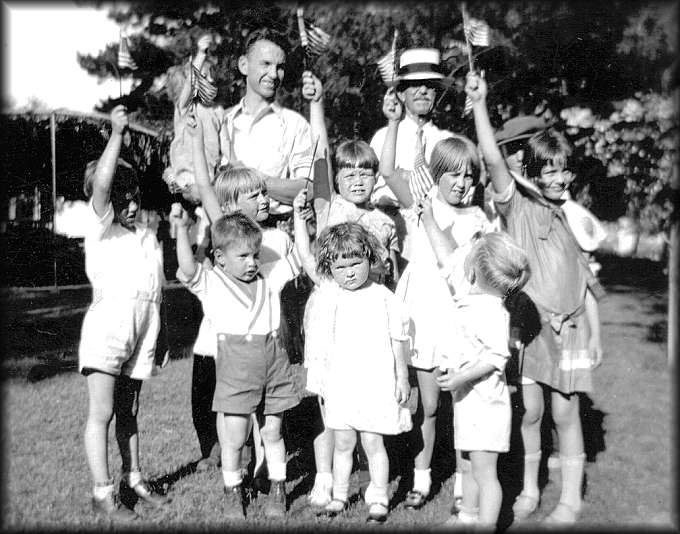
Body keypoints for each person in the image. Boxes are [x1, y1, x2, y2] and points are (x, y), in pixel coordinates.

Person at [466, 72, 605, 525]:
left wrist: (596, 333)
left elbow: (585, 285)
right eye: (549, 170)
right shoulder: (518, 207)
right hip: (530, 329)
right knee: (531, 413)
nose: (559, 177)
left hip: (570, 331)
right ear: (531, 170)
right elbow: (492, 158)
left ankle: (569, 501)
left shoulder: (575, 220)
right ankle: (528, 489)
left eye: (565, 169)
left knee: (567, 415)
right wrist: (481, 105)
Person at [377, 88, 493, 510]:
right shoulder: (419, 206)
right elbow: (389, 171)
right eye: (453, 175)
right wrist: (392, 123)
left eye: (468, 176)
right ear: (436, 175)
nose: (462, 184)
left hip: (458, 317)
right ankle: (422, 476)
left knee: (461, 404)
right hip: (424, 311)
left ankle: (464, 480)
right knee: (426, 404)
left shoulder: (478, 218)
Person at [173, 204, 302, 519]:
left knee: (272, 431)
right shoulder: (212, 282)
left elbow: (298, 257)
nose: (252, 262)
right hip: (236, 365)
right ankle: (233, 489)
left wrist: (300, 215)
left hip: (274, 362)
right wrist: (179, 228)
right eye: (243, 256)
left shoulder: (268, 276)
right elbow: (188, 269)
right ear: (220, 257)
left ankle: (278, 487)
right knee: (234, 434)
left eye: (255, 255)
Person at [187, 110, 293, 479]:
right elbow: (205, 187)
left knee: (262, 412)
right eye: (255, 195)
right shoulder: (226, 230)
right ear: (231, 207)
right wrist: (198, 141)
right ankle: (221, 457)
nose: (264, 200)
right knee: (221, 404)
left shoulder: (277, 238)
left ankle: (263, 465)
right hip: (221, 338)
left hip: (261, 338)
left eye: (265, 192)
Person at [292, 202, 412, 524]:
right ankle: (340, 494)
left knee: (373, 442)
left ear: (369, 259)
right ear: (330, 268)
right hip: (342, 382)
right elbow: (305, 255)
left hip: (375, 381)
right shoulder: (331, 292)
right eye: (340, 266)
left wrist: (402, 376)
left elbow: (400, 337)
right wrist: (298, 220)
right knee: (343, 442)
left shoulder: (383, 296)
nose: (349, 272)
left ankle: (378, 495)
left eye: (355, 263)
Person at [78, 105, 170, 522]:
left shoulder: (147, 238)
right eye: (121, 196)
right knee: (103, 412)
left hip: (142, 333)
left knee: (129, 412)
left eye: (133, 196)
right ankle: (102, 494)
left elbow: (157, 294)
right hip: (106, 334)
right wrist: (116, 134)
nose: (129, 204)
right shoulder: (101, 229)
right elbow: (102, 183)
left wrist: (162, 335)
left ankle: (134, 480)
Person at [418, 199, 531, 528]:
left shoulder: (493, 312)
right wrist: (428, 219)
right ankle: (467, 515)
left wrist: (460, 378)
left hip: (486, 405)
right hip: (469, 402)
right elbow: (445, 257)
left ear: (477, 271)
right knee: (466, 465)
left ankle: (486, 525)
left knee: (484, 472)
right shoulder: (472, 298)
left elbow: (496, 357)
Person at [369, 48, 454, 269]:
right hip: (393, 232)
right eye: (414, 85)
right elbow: (374, 189)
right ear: (401, 93)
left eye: (429, 85)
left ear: (437, 92)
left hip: (434, 231)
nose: (423, 91)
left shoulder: (445, 140)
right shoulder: (384, 136)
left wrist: (409, 177)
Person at [223, 27, 314, 215]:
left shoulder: (295, 124)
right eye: (266, 64)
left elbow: (310, 189)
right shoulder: (221, 121)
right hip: (222, 231)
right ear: (243, 65)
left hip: (274, 235)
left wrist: (249, 178)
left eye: (279, 67)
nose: (273, 74)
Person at [162, 34, 230, 203]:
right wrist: (201, 53)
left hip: (209, 179)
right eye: (205, 77)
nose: (211, 80)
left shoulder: (218, 111)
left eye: (211, 76)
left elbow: (226, 147)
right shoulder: (186, 107)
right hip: (187, 180)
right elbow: (191, 83)